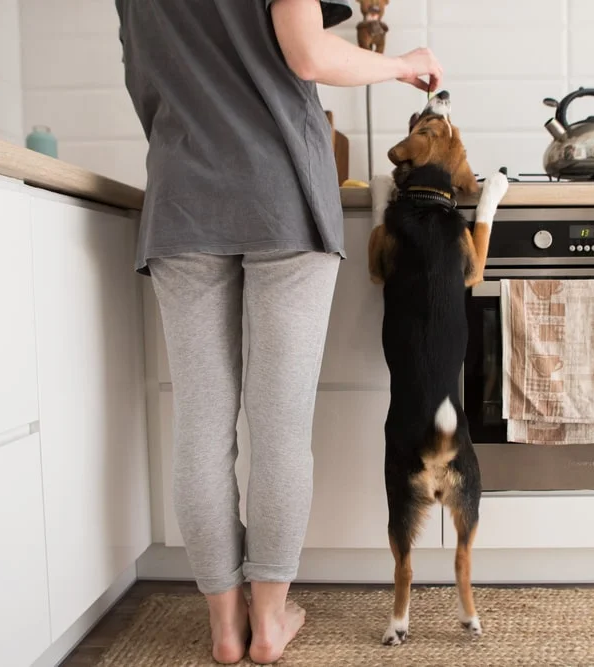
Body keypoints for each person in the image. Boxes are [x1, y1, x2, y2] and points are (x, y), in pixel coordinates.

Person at [114, 0, 444, 663]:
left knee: (200, 423)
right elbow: (309, 53)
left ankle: (224, 629)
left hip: (182, 199)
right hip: (282, 196)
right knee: (280, 425)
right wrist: (402, 65)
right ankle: (268, 623)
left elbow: (143, 77)